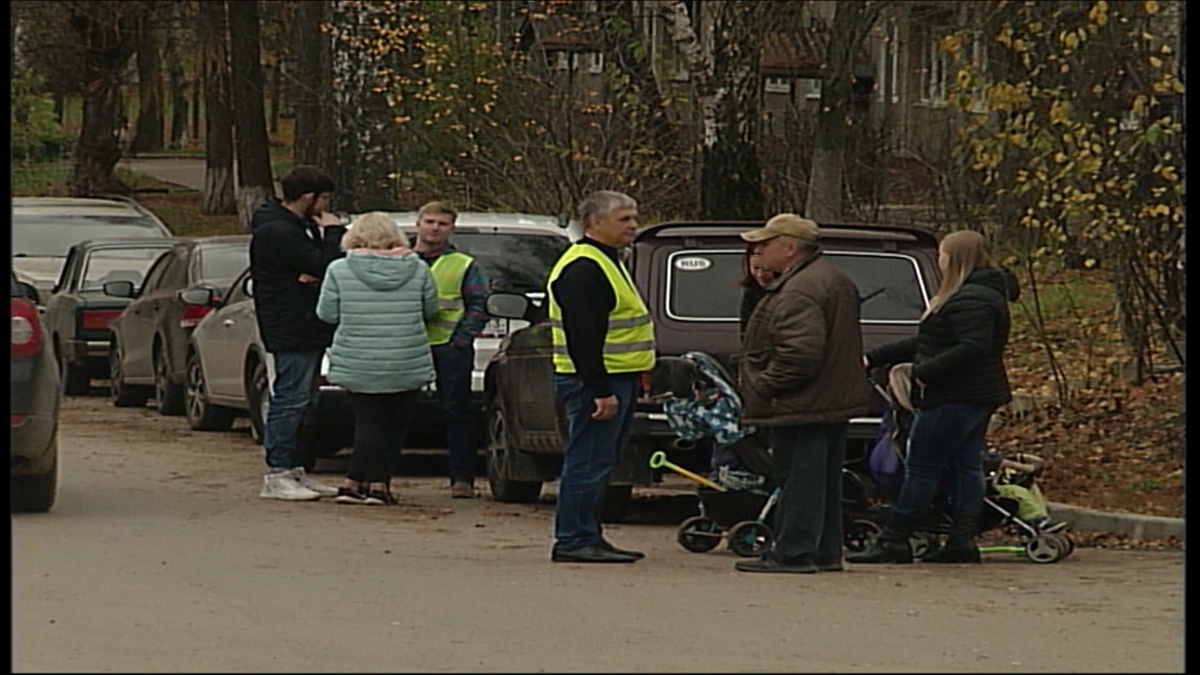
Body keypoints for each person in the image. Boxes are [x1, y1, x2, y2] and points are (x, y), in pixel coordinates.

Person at [848, 230, 1015, 564]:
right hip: (974, 394)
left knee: (923, 467)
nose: (939, 259)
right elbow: (930, 341)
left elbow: (972, 347)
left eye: (942, 254)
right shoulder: (978, 295)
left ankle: (895, 538)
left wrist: (924, 373)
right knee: (966, 465)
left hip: (953, 395)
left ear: (955, 258)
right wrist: (877, 356)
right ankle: (961, 539)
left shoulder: (971, 299)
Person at [733, 214, 872, 574]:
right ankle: (824, 550)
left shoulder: (799, 290)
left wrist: (763, 385)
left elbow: (800, 354)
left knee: (799, 478)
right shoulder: (832, 279)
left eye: (765, 244)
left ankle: (793, 552)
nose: (758, 251)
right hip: (830, 400)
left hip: (802, 402)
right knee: (822, 479)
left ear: (790, 248)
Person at [545, 190, 655, 563]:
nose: (633, 225)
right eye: (624, 219)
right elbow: (584, 337)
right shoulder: (584, 268)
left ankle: (588, 533)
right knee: (587, 462)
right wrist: (599, 390)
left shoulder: (607, 261)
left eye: (634, 217)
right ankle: (574, 539)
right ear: (595, 222)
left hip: (615, 378)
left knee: (600, 462)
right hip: (593, 383)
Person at [316, 212, 438, 506]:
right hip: (406, 354)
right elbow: (430, 310)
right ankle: (368, 483)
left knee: (368, 421)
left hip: (358, 356)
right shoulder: (418, 269)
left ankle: (366, 483)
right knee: (395, 424)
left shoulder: (339, 269)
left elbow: (326, 314)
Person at [250, 165, 345, 501]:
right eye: (324, 199)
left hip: (307, 322)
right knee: (290, 398)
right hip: (291, 324)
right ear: (309, 197)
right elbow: (327, 266)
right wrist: (332, 235)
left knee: (306, 399)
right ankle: (276, 472)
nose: (326, 207)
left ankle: (294, 468)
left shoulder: (297, 227)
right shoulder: (279, 231)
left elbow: (317, 269)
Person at [409, 202, 490, 499]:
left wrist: (460, 341)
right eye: (429, 221)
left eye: (442, 224)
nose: (434, 228)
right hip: (406, 347)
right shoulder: (400, 260)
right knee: (393, 411)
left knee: (457, 412)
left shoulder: (465, 265)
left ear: (452, 228)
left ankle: (462, 479)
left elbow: (478, 306)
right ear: (417, 223)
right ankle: (380, 478)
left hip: (449, 348)